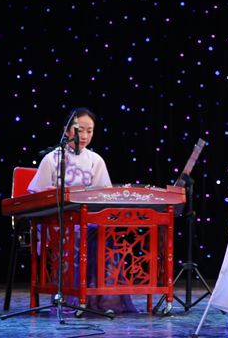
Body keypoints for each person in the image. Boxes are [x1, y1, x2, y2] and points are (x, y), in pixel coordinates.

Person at [28, 107, 137, 314]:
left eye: (90, 130)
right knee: (79, 237)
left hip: (88, 223)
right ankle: (75, 301)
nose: (85, 136)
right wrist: (49, 194)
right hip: (57, 225)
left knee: (106, 238)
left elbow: (105, 197)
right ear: (67, 131)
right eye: (79, 130)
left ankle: (103, 302)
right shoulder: (51, 159)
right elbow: (35, 198)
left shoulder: (96, 160)